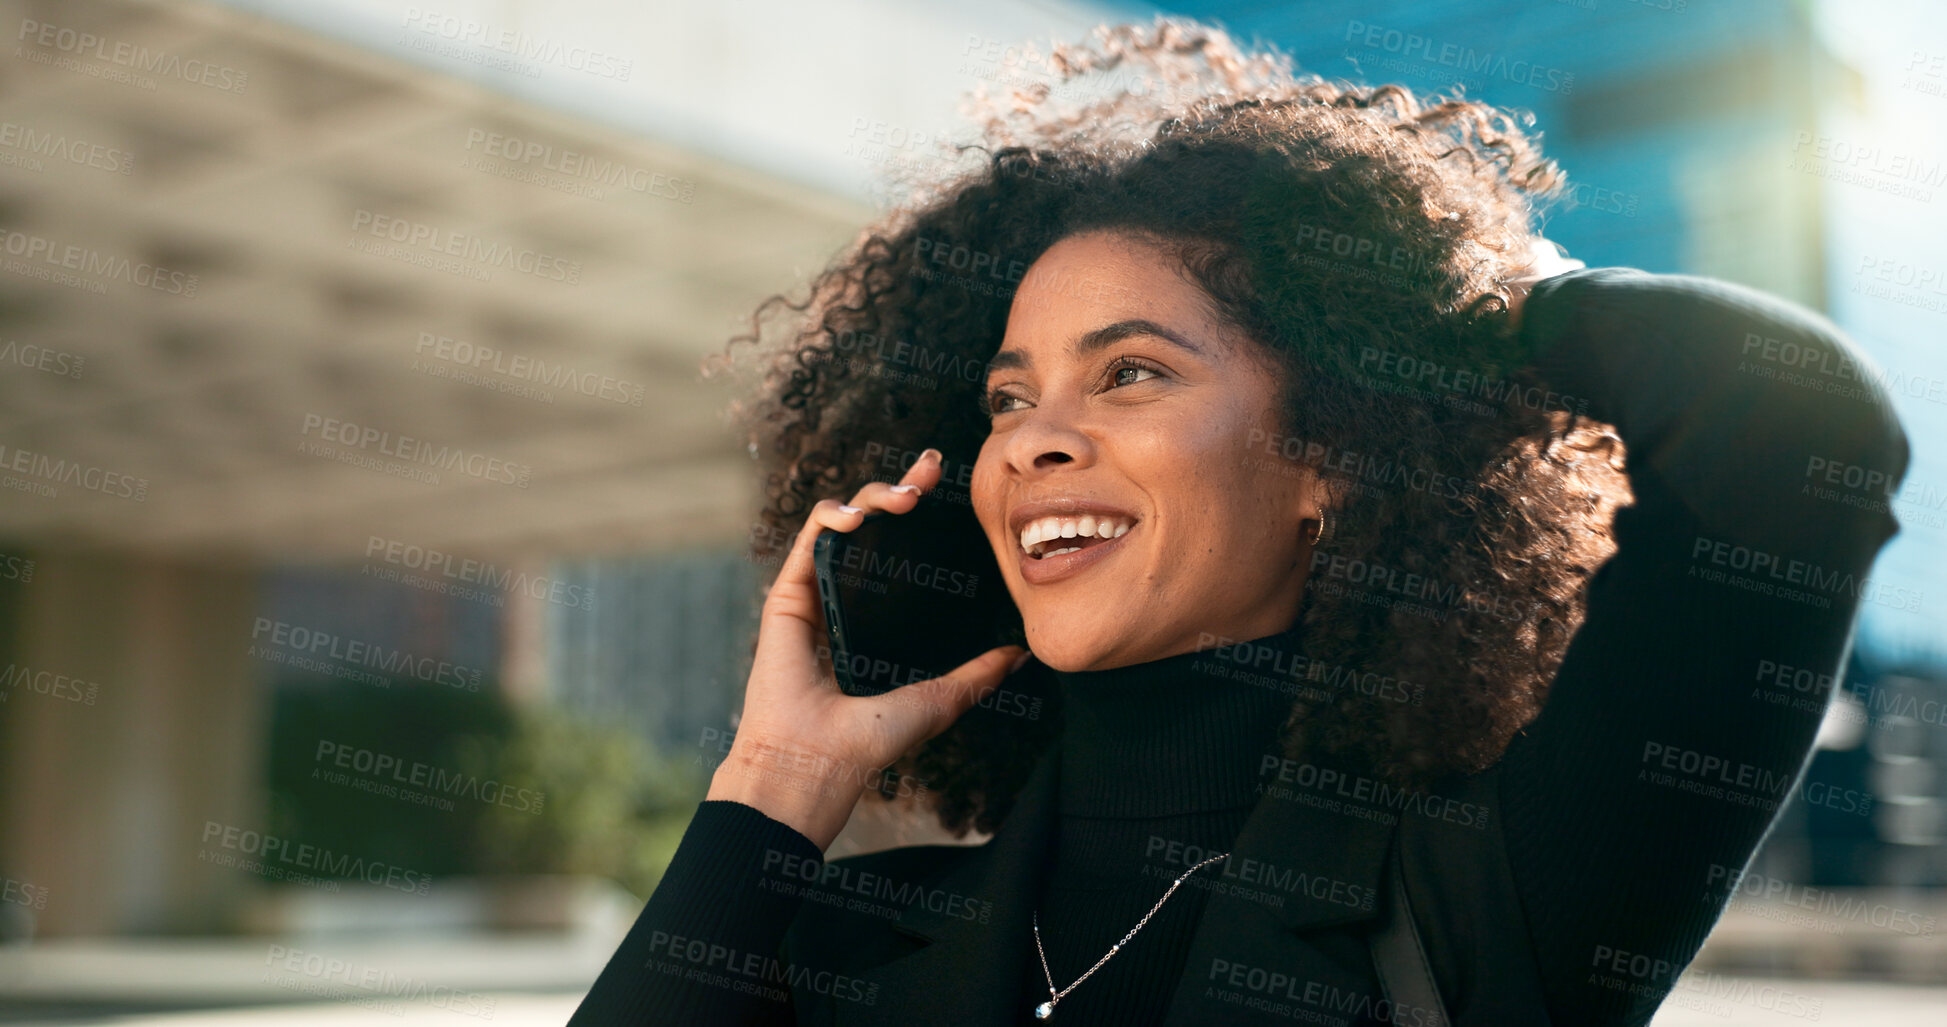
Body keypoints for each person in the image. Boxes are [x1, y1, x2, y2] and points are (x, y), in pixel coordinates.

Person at [571, 21, 1912, 1027]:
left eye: (1131, 372)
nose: (1035, 435)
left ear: (1328, 451)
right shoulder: (849, 932)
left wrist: (1420, 318)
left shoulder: (1488, 899)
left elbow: (1802, 437)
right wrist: (774, 782)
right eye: (1006, 396)